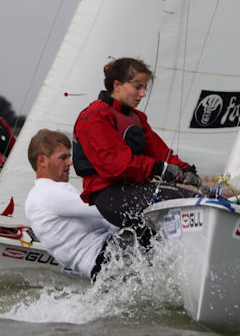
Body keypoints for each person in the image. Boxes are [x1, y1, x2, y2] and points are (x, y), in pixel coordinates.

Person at [73, 57, 202, 237]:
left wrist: (185, 169)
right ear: (117, 85)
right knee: (193, 203)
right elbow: (115, 163)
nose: (142, 94)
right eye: (137, 87)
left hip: (132, 191)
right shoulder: (94, 116)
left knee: (197, 202)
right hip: (111, 196)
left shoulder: (136, 118)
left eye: (145, 88)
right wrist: (160, 169)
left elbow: (160, 153)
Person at [24, 129, 120, 281]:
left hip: (108, 260)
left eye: (69, 156)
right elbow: (107, 208)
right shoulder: (45, 193)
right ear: (42, 161)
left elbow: (110, 217)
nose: (70, 162)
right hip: (106, 260)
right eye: (63, 157)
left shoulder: (56, 190)